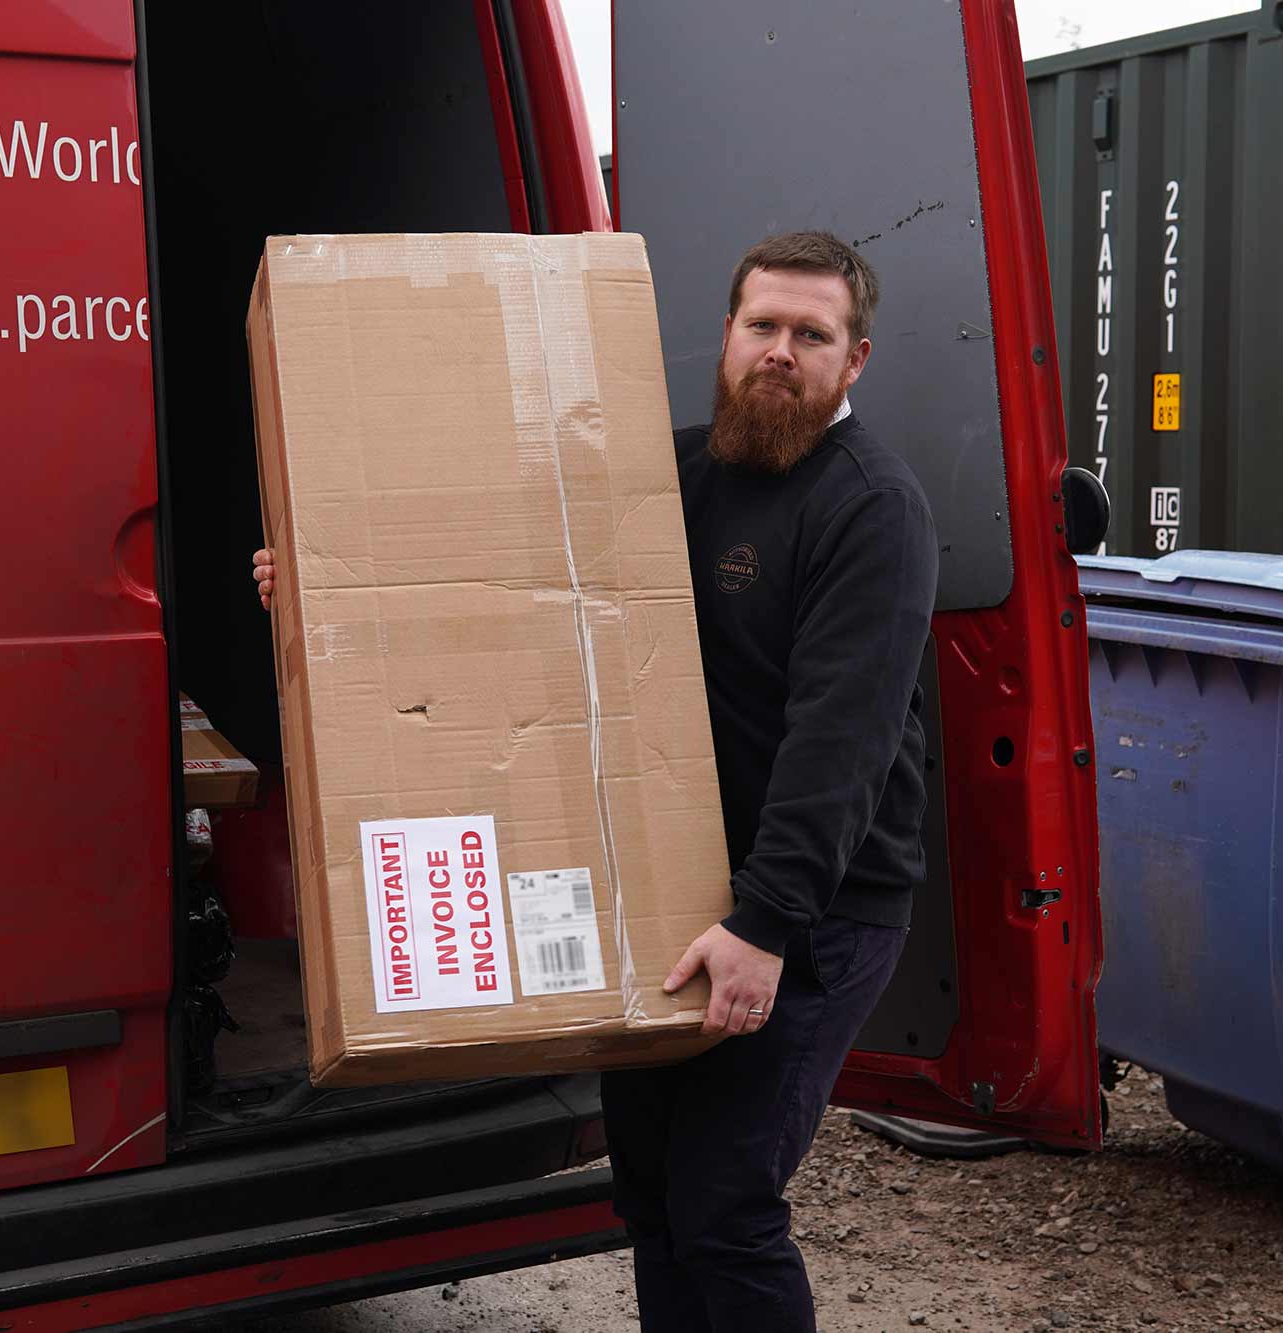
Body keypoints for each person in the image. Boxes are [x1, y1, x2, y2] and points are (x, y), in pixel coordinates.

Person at [251, 230, 938, 1332]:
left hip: (811, 914)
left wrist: (765, 922)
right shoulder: (675, 471)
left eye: (812, 335)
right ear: (726, 335)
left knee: (726, 1205)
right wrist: (327, 571)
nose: (779, 351)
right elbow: (506, 568)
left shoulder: (871, 507)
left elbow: (842, 738)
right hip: (680, 889)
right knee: (655, 1193)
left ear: (854, 362)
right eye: (761, 325)